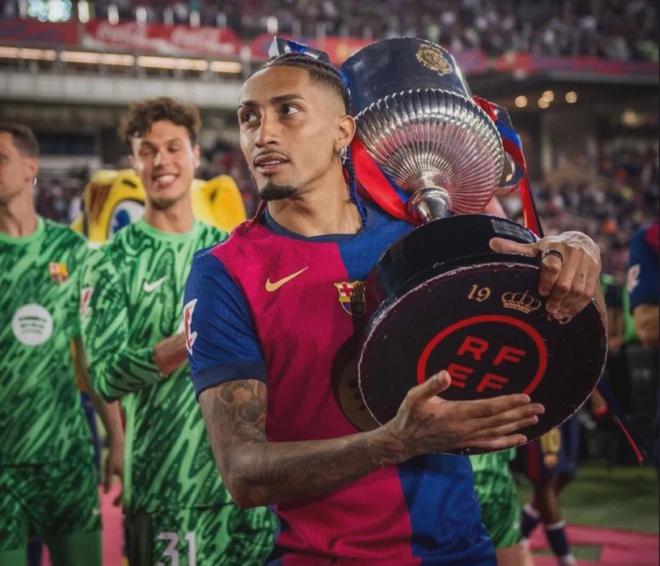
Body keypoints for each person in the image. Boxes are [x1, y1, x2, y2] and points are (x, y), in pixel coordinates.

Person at [184, 53, 601, 563]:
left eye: (287, 110)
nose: (262, 134)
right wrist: (394, 443)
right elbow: (243, 473)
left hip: (461, 552)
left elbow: (565, 321)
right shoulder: (224, 272)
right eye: (249, 117)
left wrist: (578, 249)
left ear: (343, 132)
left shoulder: (420, 237)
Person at [79, 98, 274, 565]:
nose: (161, 161)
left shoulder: (232, 251)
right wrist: (186, 340)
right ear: (133, 163)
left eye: (172, 148)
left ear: (195, 155)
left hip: (247, 484)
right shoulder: (110, 262)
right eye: (147, 151)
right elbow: (104, 376)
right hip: (167, 486)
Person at [0, 122, 123, 566]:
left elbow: (90, 356)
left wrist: (116, 438)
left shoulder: (69, 249)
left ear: (30, 167)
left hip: (66, 459)